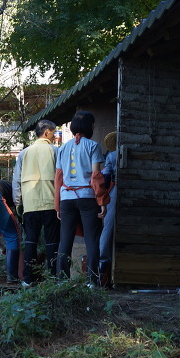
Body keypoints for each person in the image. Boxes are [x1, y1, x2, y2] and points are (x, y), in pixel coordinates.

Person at [54, 111, 109, 286]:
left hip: (66, 198)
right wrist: (101, 201)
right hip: (87, 197)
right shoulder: (93, 146)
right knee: (91, 239)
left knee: (65, 240)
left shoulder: (62, 148)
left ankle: (61, 280)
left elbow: (58, 178)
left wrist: (57, 206)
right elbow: (96, 176)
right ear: (89, 127)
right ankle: (91, 281)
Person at [13, 119, 59, 285]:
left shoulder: (24, 153)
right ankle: (53, 277)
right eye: (54, 132)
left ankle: (28, 278)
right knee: (52, 241)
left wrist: (18, 202)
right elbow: (60, 176)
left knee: (31, 241)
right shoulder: (55, 151)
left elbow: (16, 180)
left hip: (30, 205)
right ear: (46, 132)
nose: (55, 136)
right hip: (51, 202)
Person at [98, 131, 119, 287]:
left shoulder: (111, 156)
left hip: (116, 191)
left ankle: (102, 263)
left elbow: (104, 177)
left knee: (107, 228)